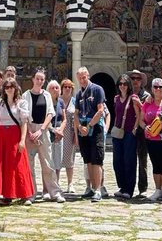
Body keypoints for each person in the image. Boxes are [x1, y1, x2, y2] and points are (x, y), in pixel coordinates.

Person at [0, 78, 34, 205]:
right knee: (2, 165)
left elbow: (24, 123)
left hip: (15, 135)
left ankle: (23, 194)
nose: (9, 89)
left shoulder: (21, 103)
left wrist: (22, 140)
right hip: (1, 136)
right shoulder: (0, 103)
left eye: (12, 86)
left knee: (17, 164)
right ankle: (6, 195)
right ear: (4, 89)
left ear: (16, 88)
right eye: (7, 87)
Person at [22, 69, 65, 203]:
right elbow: (24, 116)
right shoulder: (26, 95)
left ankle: (54, 192)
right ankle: (31, 193)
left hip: (43, 130)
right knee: (29, 164)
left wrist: (41, 130)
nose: (39, 81)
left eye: (42, 79)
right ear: (33, 79)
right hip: (30, 130)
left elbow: (50, 114)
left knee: (47, 163)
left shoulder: (46, 95)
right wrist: (29, 132)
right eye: (37, 79)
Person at [74, 66, 106, 202]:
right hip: (83, 129)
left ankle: (98, 189)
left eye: (84, 77)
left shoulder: (97, 89)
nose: (82, 80)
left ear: (88, 76)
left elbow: (100, 110)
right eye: (80, 78)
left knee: (97, 160)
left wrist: (89, 126)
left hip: (95, 127)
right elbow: (75, 114)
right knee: (88, 160)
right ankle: (92, 188)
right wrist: (80, 127)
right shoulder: (78, 94)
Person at [112, 74, 142, 199]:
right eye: (120, 84)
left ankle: (129, 189)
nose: (122, 86)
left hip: (129, 133)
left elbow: (139, 114)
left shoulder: (134, 98)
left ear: (128, 85)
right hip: (118, 132)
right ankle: (122, 186)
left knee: (129, 160)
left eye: (125, 84)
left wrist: (135, 129)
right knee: (117, 161)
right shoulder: (116, 99)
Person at [128, 69, 151, 197]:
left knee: (142, 160)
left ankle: (143, 188)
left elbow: (148, 114)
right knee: (129, 159)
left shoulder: (146, 95)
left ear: (141, 81)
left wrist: (140, 104)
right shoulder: (128, 93)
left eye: (137, 78)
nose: (135, 81)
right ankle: (129, 187)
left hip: (142, 131)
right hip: (129, 130)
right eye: (133, 78)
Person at [46, 80, 66, 194]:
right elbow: (45, 119)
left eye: (57, 88)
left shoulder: (61, 102)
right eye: (52, 88)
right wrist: (53, 130)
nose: (55, 90)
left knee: (58, 160)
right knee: (49, 160)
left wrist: (60, 130)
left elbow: (64, 119)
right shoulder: (46, 101)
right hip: (49, 132)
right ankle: (49, 185)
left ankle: (57, 183)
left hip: (59, 133)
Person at [59, 79, 78, 193]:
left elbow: (76, 119)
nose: (67, 89)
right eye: (65, 87)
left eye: (69, 87)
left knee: (70, 159)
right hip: (59, 132)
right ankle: (56, 182)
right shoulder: (57, 101)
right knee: (56, 158)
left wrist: (76, 135)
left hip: (70, 132)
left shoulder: (75, 101)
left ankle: (70, 183)